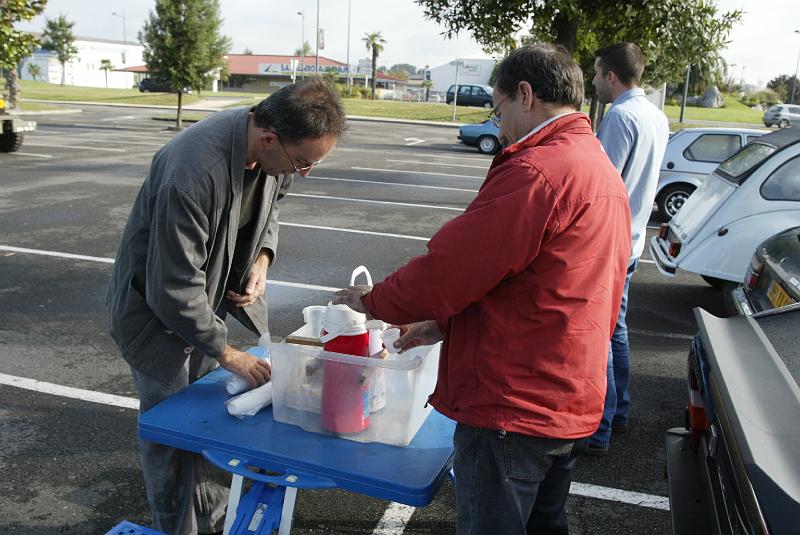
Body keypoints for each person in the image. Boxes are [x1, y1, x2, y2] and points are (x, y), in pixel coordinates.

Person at [333, 44, 631, 535]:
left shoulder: (539, 171)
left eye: (499, 110)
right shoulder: (593, 162)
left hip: (514, 404)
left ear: (526, 95)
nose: (499, 124)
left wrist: (371, 302)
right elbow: (539, 284)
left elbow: (452, 269)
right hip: (564, 392)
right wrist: (441, 324)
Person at [106, 79, 346, 535]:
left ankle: (215, 521)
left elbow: (274, 203)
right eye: (302, 163)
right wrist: (227, 353)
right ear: (269, 138)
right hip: (156, 318)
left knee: (214, 427)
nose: (303, 173)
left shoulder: (273, 151)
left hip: (206, 303)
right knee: (172, 436)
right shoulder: (191, 173)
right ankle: (178, 527)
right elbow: (172, 287)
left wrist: (262, 258)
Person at [586, 42, 669, 456]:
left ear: (612, 76)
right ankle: (617, 414)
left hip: (612, 244)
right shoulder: (656, 114)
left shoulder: (620, 117)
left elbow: (601, 183)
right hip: (634, 241)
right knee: (616, 330)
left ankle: (600, 427)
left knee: (600, 333)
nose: (595, 80)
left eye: (597, 72)